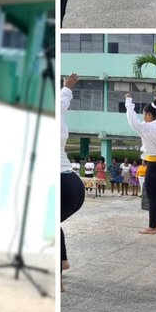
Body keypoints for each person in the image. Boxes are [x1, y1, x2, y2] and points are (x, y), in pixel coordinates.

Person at [125, 92, 156, 234]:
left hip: (153, 164)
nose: (143, 117)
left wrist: (129, 102)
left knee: (152, 196)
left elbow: (132, 121)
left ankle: (152, 226)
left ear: (149, 116)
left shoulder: (147, 128)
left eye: (145, 114)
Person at [60, 73, 86, 286]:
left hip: (61, 184)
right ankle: (62, 261)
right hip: (74, 185)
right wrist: (67, 88)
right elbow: (61, 103)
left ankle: (56, 276)